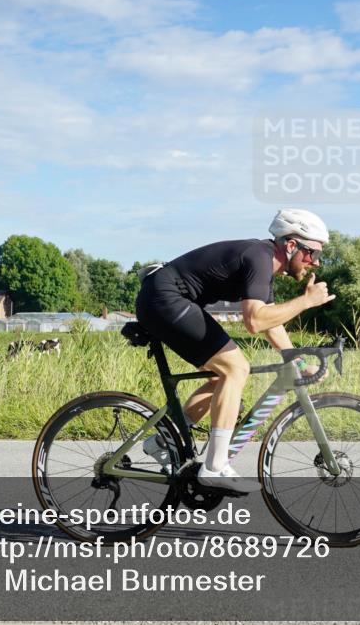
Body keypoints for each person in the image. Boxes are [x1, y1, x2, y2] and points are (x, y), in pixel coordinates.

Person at [134, 209, 335, 494]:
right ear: (291, 245)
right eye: (312, 253)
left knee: (222, 378)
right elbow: (254, 321)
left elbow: (270, 323)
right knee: (236, 369)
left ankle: (162, 442)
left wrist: (297, 361)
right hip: (165, 299)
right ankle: (215, 467)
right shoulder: (260, 259)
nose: (314, 263)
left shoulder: (264, 263)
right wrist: (305, 302)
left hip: (166, 298)